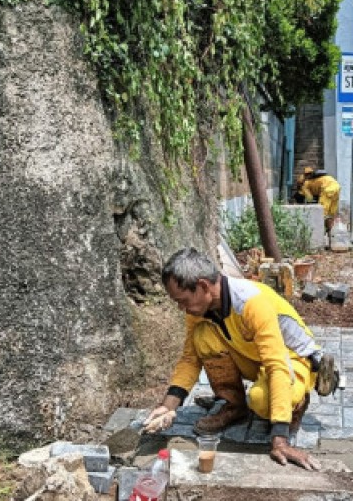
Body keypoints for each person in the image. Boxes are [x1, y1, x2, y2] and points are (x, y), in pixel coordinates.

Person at [143, 248, 338, 470]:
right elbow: (190, 359)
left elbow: (277, 365)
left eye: (183, 300)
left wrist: (280, 440)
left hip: (293, 360)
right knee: (203, 337)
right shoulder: (198, 308)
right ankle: (235, 406)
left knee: (261, 401)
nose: (181, 308)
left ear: (204, 286)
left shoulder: (251, 302)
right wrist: (168, 407)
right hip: (254, 355)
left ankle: (297, 402)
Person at [299, 169, 341, 235]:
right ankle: (329, 231)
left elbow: (309, 198)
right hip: (336, 187)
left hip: (327, 189)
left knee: (322, 211)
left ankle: (322, 232)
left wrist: (310, 203)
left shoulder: (305, 184)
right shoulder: (320, 178)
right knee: (331, 212)